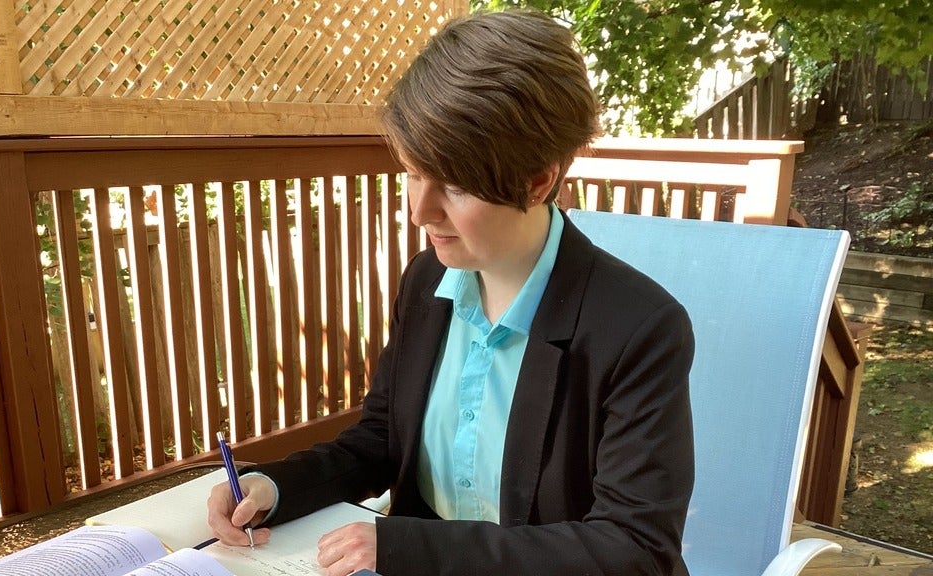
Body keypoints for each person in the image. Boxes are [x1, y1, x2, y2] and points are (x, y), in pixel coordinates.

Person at [207, 9, 695, 576]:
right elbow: (383, 438)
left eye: (455, 185)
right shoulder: (427, 283)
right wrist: (271, 486)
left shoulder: (638, 329)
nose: (418, 210)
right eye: (413, 173)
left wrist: (406, 548)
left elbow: (636, 550)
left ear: (538, 180)